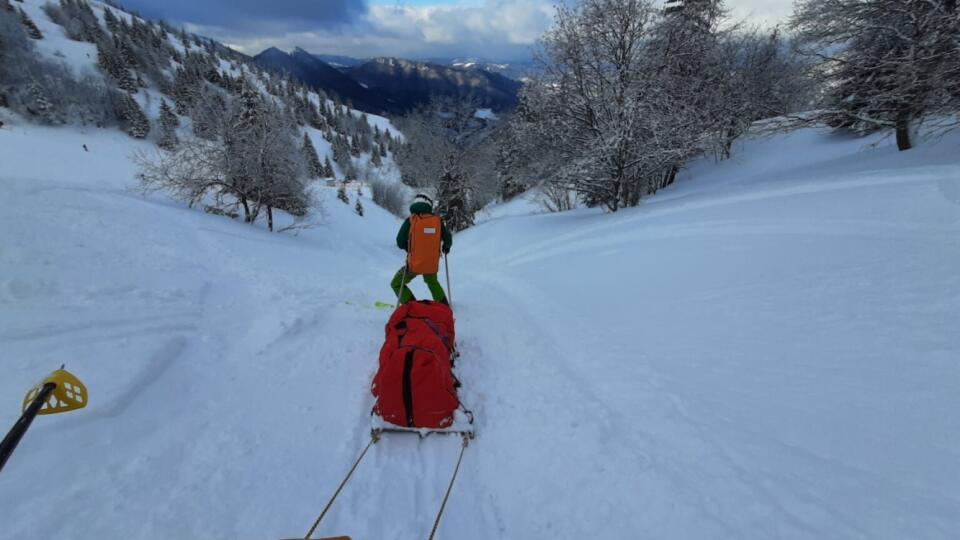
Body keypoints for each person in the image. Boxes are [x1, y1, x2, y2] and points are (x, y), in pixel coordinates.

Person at [391, 194, 452, 305]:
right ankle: (443, 305)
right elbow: (448, 238)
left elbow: (400, 241)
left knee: (396, 283)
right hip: (431, 263)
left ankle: (411, 305)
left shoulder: (410, 221)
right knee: (432, 282)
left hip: (414, 264)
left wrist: (409, 249)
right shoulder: (437, 221)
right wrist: (446, 247)